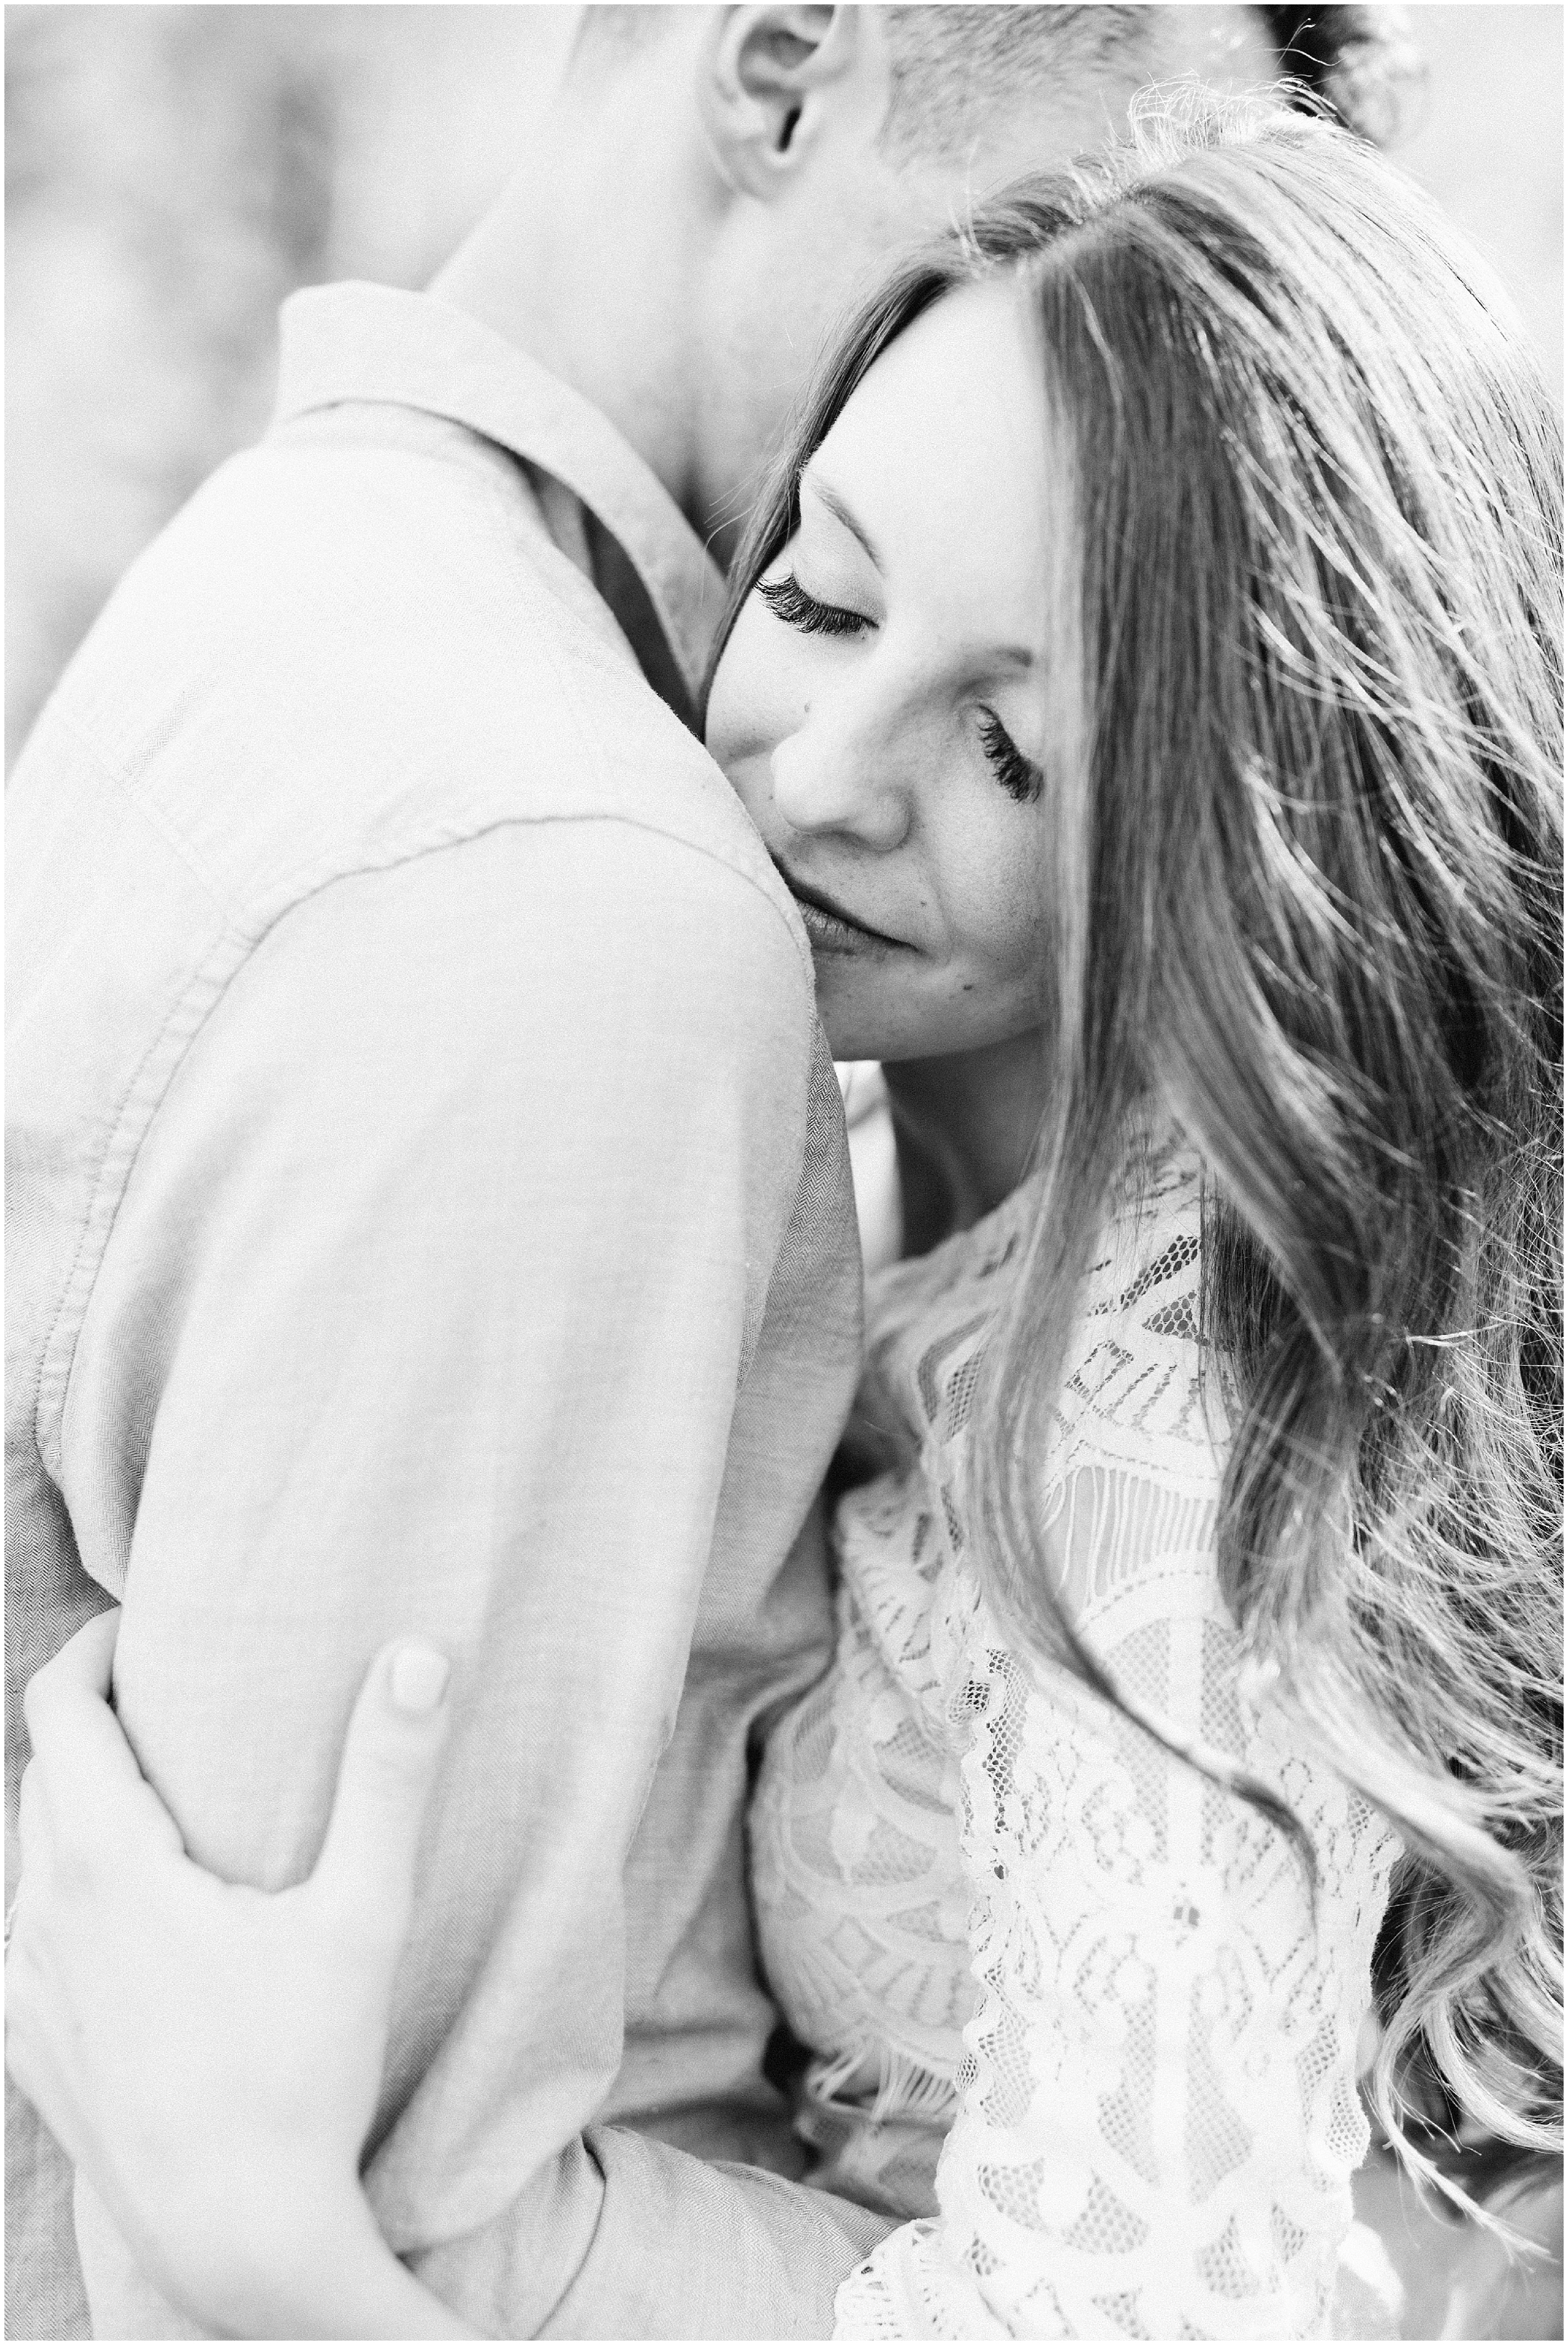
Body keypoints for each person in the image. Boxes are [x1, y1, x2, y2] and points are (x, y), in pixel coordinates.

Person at [9, 90, 1560, 2344]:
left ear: (1246, 841)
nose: (821, 765)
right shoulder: (874, 1194)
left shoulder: (1173, 1390)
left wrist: (307, 2251)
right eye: (822, 590)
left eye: (1011, 751)